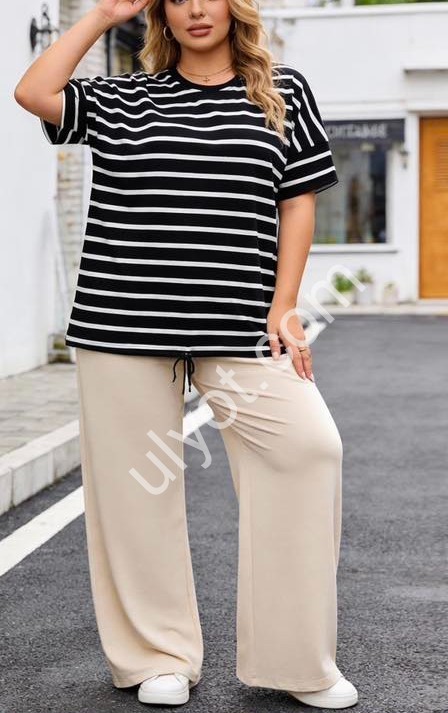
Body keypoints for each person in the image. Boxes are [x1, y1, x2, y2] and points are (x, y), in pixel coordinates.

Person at [14, 0, 358, 708]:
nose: (197, 8)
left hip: (239, 324)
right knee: (134, 493)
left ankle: (298, 660)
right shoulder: (122, 98)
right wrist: (102, 15)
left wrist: (285, 304)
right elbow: (34, 91)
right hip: (122, 326)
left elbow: (298, 201)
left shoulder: (283, 92)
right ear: (161, 13)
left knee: (308, 449)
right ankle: (156, 655)